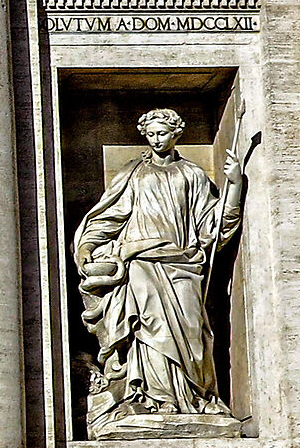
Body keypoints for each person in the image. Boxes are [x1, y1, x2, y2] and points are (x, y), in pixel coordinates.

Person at [73, 107, 250, 429]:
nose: (156, 139)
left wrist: (235, 185)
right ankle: (155, 399)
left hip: (184, 263)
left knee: (193, 331)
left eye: (163, 133)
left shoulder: (192, 175)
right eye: (151, 134)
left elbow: (215, 225)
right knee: (149, 329)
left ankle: (195, 397)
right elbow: (109, 217)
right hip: (140, 262)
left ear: (176, 134)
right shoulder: (132, 174)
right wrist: (87, 246)